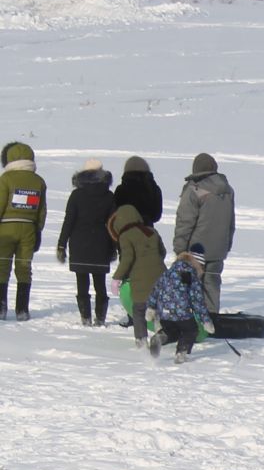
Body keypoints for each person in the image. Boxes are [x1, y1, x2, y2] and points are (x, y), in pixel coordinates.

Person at [56, 158, 116, 327]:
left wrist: (61, 244)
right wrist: (114, 247)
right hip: (101, 243)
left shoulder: (76, 195)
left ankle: (85, 318)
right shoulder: (109, 195)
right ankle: (100, 318)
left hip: (79, 243)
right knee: (100, 284)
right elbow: (113, 223)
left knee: (82, 283)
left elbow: (69, 221)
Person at [173, 152, 235, 312]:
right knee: (212, 283)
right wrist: (226, 245)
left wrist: (180, 249)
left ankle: (189, 321)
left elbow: (185, 222)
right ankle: (211, 317)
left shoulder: (194, 189)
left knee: (189, 283)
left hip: (196, 249)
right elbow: (231, 222)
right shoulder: (227, 190)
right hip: (219, 248)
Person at [1, 140, 48, 322]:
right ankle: (22, 310)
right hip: (29, 228)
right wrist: (37, 231)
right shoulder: (39, 181)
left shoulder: (6, 179)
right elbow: (42, 210)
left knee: (2, 266)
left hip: (6, 227)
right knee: (24, 268)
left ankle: (1, 308)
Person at [146, 244, 215, 363]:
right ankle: (181, 354)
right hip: (181, 312)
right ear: (197, 263)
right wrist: (206, 321)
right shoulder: (191, 275)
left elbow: (156, 289)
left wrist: (151, 307)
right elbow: (197, 300)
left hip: (164, 312)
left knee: (171, 331)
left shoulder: (169, 272)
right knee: (191, 330)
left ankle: (160, 338)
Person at [108, 202, 164, 344]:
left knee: (139, 309)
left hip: (140, 278)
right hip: (161, 275)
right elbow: (162, 252)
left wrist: (117, 278)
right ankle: (160, 330)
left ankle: (141, 340)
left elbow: (127, 259)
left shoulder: (125, 236)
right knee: (156, 305)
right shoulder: (152, 231)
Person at [113, 154, 164, 230]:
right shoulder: (154, 189)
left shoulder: (121, 190)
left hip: (124, 233)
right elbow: (156, 216)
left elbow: (115, 215)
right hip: (147, 234)